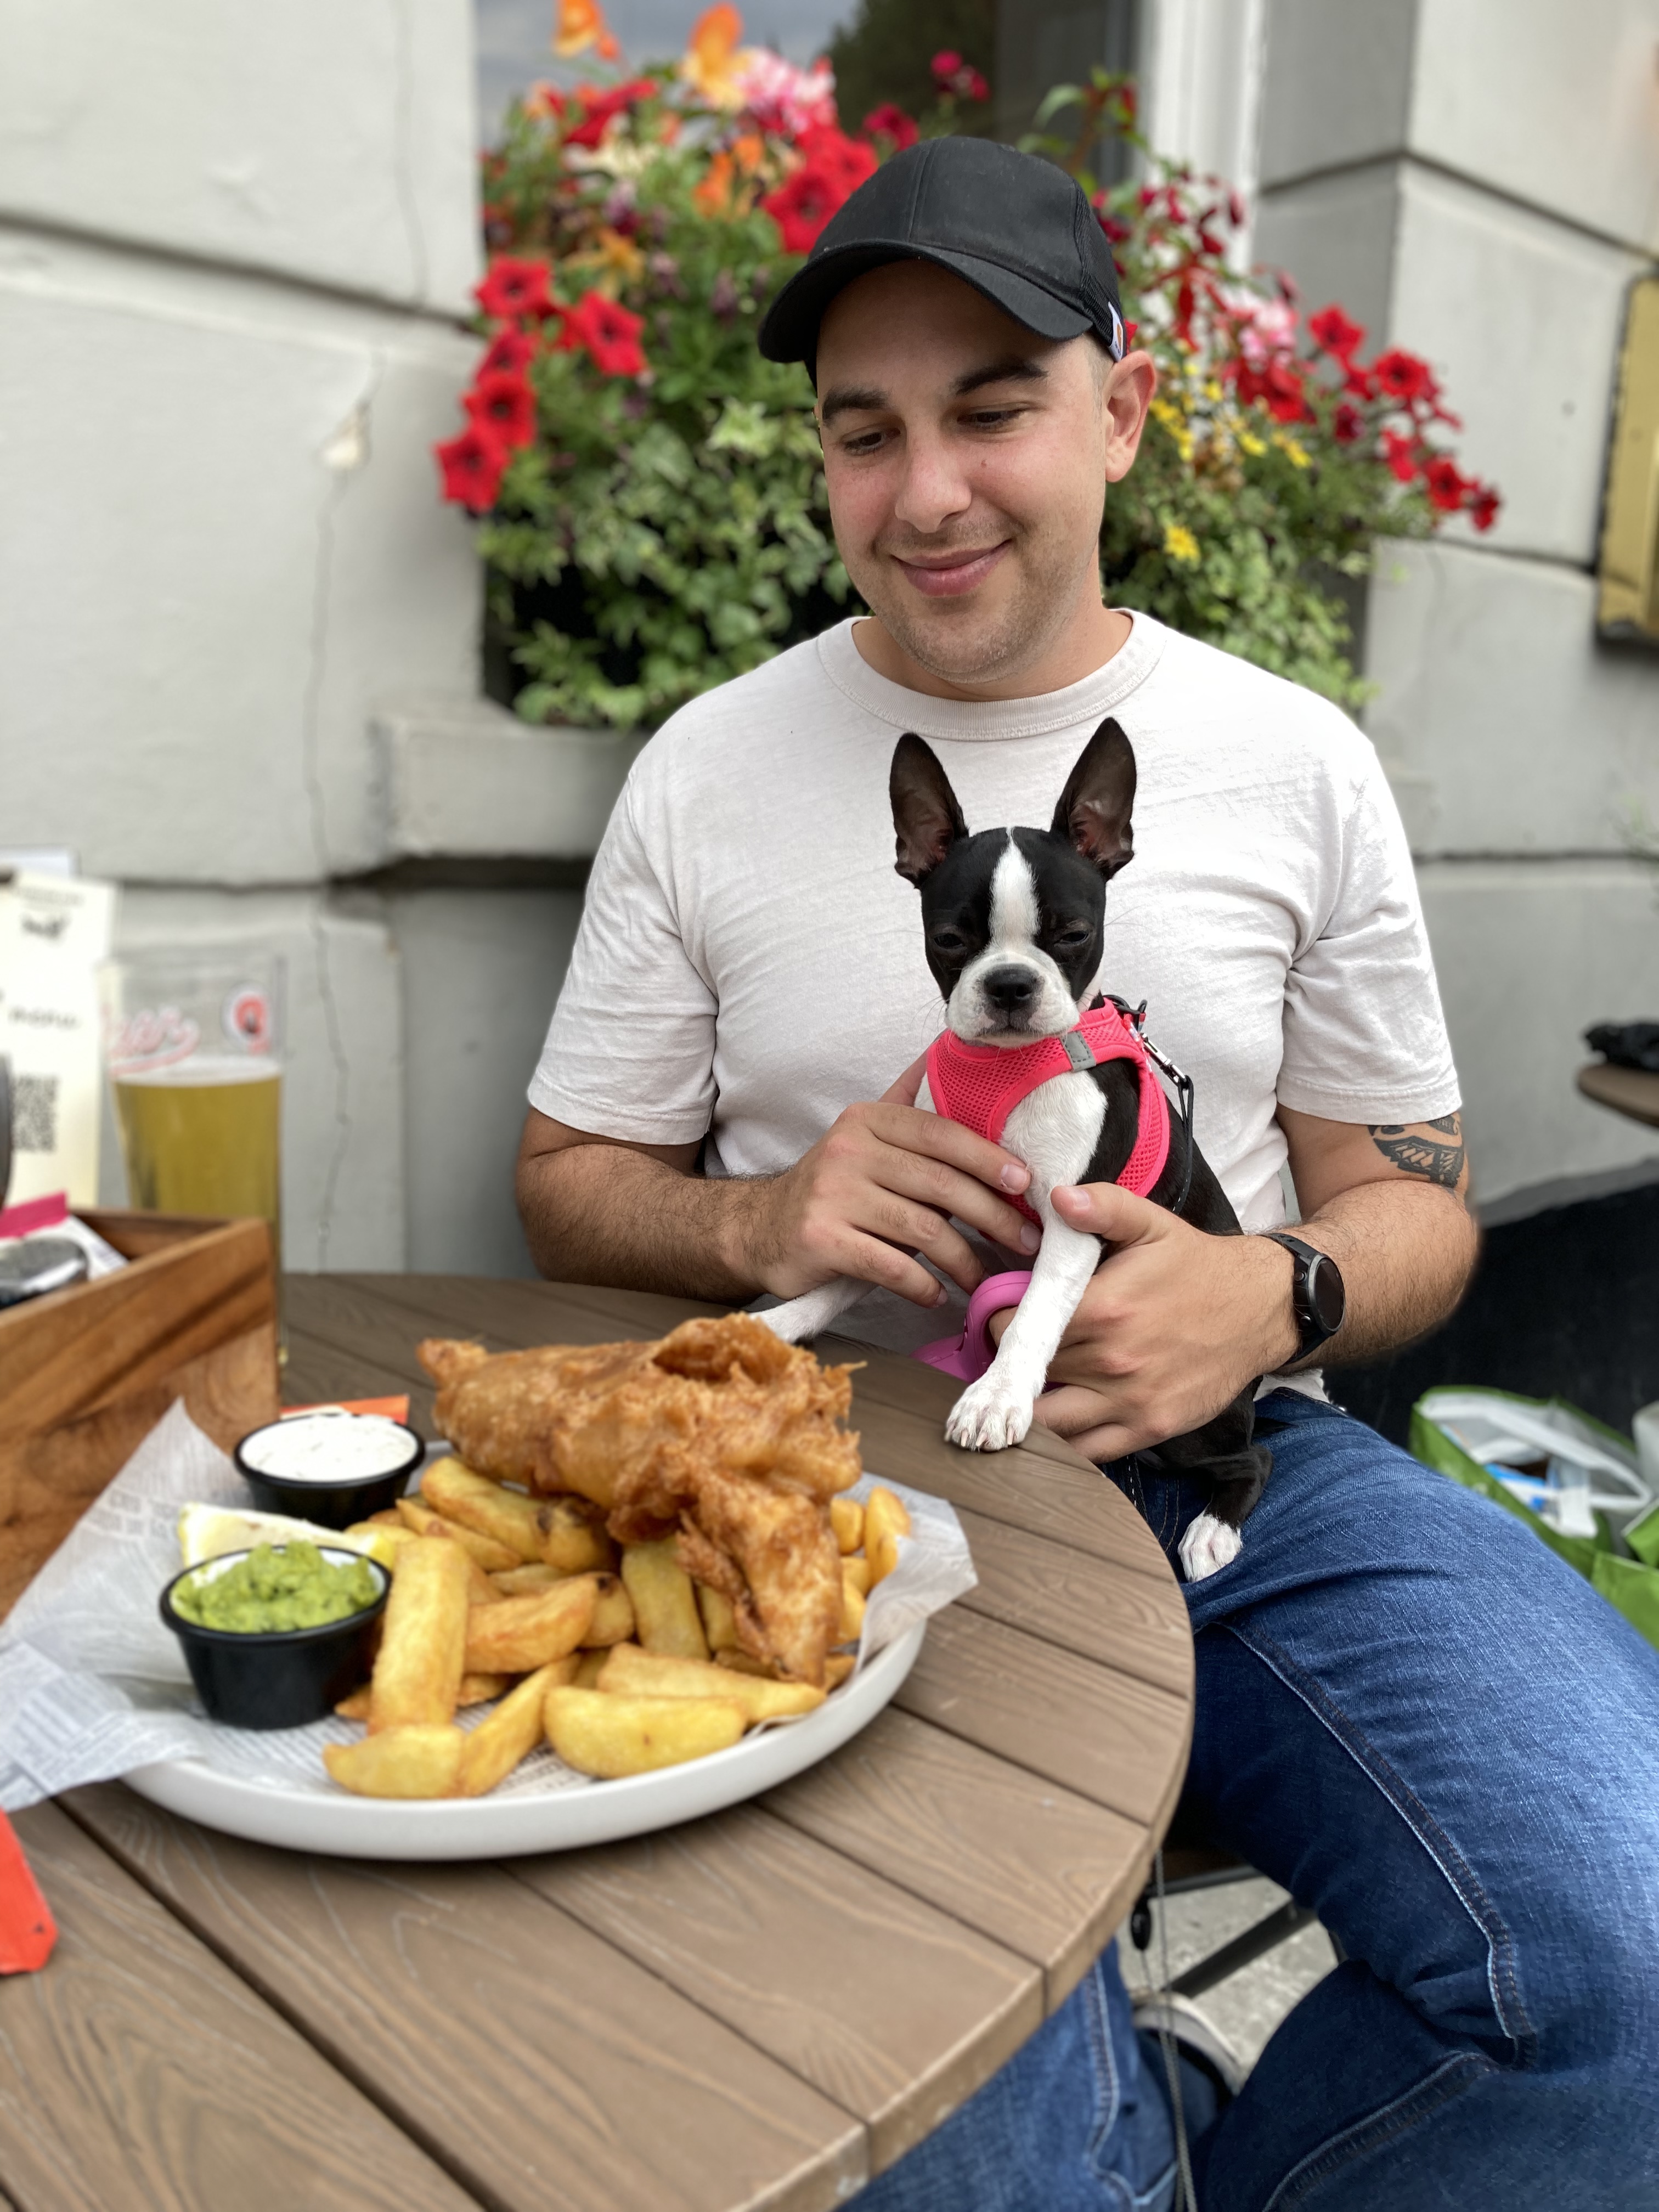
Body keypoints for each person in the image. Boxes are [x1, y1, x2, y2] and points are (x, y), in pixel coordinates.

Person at [516, 138, 1659, 2210]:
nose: (926, 490)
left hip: (1249, 1471)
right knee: (983, 2164)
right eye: (865, 431)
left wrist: (1280, 1293)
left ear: (1123, 413)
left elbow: (1418, 1199)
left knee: (1633, 1962)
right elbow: (567, 1177)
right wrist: (752, 1220)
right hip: (850, 1476)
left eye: (992, 409)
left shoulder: (1293, 759)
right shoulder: (705, 767)